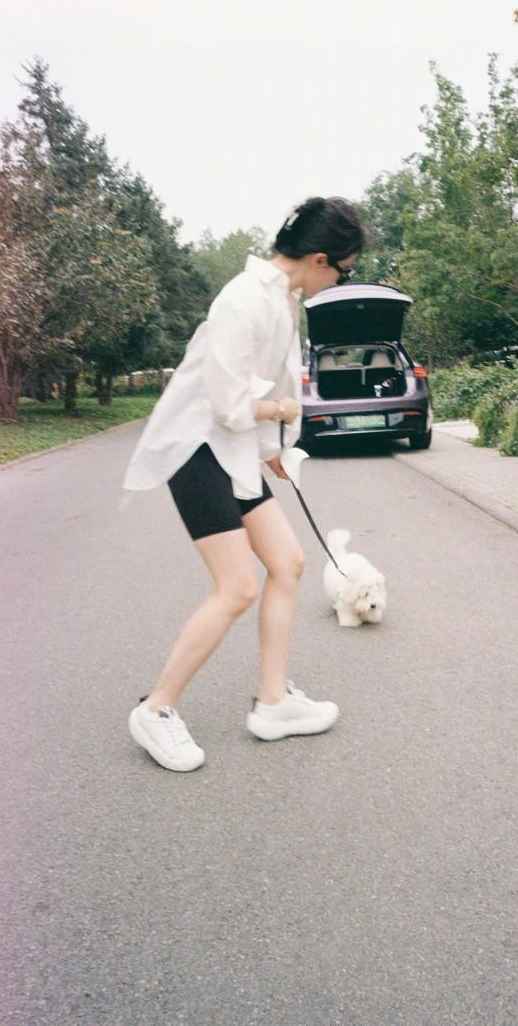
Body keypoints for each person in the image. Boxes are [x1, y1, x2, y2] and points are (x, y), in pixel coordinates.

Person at [121, 196, 365, 771]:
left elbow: (258, 394)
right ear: (320, 259)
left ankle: (273, 704)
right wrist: (280, 413)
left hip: (233, 451)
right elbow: (230, 404)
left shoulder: (283, 300)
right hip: (196, 449)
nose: (341, 280)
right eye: (344, 270)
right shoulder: (243, 298)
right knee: (236, 587)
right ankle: (155, 710)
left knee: (288, 562)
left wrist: (272, 452)